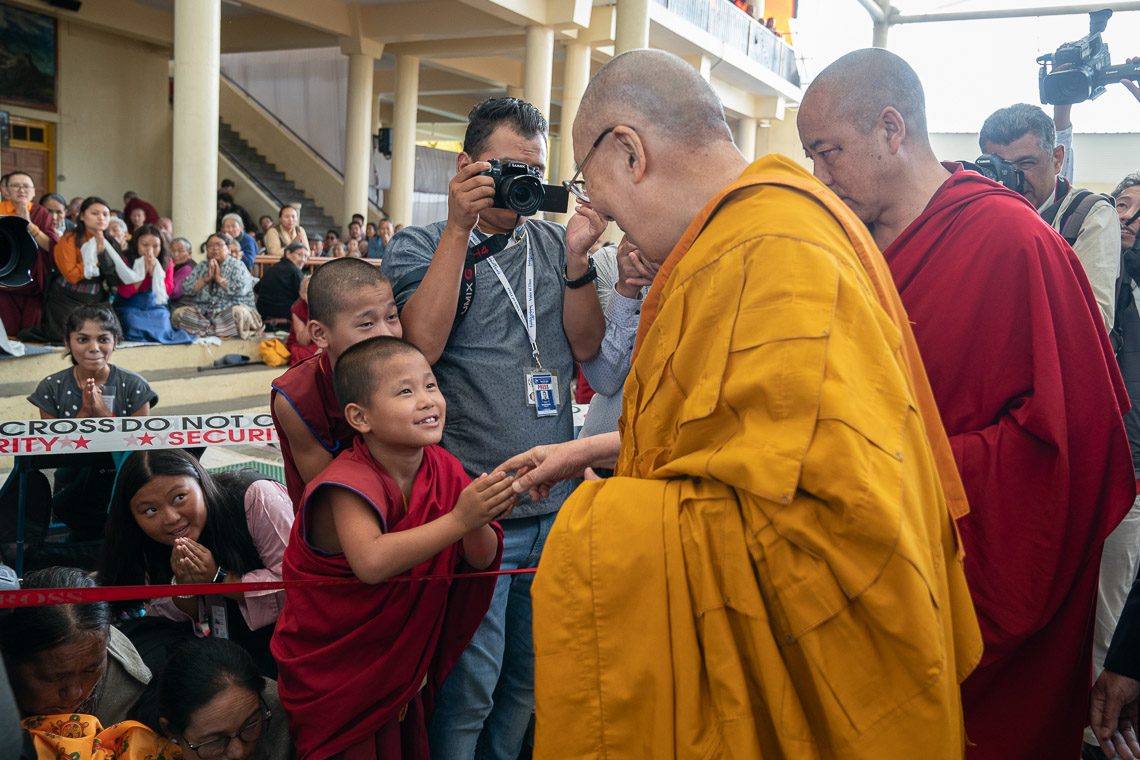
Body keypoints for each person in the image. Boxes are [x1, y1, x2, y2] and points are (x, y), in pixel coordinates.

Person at [497, 48, 982, 758]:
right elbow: (736, 453)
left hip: (821, 687)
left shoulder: (779, 249)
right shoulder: (735, 243)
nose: (609, 223)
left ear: (629, 152)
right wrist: (597, 450)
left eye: (594, 191)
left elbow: (824, 537)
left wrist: (600, 529)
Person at [796, 47, 1134, 758]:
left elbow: (1071, 447)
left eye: (828, 153)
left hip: (977, 588)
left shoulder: (1014, 243)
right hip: (853, 577)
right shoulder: (842, 249)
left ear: (892, 129)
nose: (820, 177)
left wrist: (894, 471)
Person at [382, 95, 606, 760]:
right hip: (479, 510)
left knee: (529, 684)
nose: (520, 183)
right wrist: (458, 229)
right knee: (468, 688)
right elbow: (420, 345)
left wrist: (578, 262)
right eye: (504, 167)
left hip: (556, 503)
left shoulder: (551, 241)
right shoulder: (421, 244)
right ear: (464, 166)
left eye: (532, 169)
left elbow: (586, 346)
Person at [271, 336, 507, 758]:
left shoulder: (444, 467)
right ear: (360, 417)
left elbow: (481, 558)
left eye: (431, 386)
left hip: (399, 669)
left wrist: (484, 509)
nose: (427, 401)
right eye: (405, 391)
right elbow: (371, 563)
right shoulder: (346, 482)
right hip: (340, 673)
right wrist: (460, 519)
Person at [97, 449, 293, 679]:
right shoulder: (145, 541)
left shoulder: (255, 497)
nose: (170, 518)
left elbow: (296, 587)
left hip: (288, 638)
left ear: (201, 482)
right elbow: (175, 619)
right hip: (224, 645)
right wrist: (183, 586)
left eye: (179, 497)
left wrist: (219, 579)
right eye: (150, 510)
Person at [270, 257, 403, 505]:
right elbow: (331, 499)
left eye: (392, 317)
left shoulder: (406, 372)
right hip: (338, 522)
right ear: (320, 334)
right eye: (367, 323)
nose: (387, 334)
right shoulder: (297, 397)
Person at [979, 103, 1120, 327]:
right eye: (1002, 167)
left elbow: (1095, 322)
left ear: (1057, 159)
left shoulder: (1090, 214)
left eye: (1026, 163)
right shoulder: (978, 213)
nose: (1015, 177)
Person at [28, 305, 157, 537]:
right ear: (67, 343)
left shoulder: (135, 386)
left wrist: (103, 413)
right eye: (83, 339)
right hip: (70, 482)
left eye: (103, 339)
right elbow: (54, 450)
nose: (94, 348)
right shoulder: (50, 388)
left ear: (115, 342)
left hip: (123, 481)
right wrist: (85, 414)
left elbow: (141, 447)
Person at [2, 566, 151, 725]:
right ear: (7, 659)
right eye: (54, 677)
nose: (75, 694)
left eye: (90, 670)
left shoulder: (129, 696)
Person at [153, 638, 292, 760]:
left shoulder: (284, 715)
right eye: (215, 741)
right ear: (170, 732)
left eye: (250, 725)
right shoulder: (140, 749)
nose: (238, 752)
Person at [577, 237, 657, 438]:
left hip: (670, 450)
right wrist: (627, 289)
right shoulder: (613, 260)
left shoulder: (708, 262)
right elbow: (604, 380)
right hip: (602, 449)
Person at [20, 196, 122, 344]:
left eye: (105, 214)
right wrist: (93, 258)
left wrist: (103, 256)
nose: (101, 218)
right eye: (95, 213)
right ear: (81, 216)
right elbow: (71, 275)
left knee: (112, 336)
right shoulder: (68, 239)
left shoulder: (111, 242)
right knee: (68, 336)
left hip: (96, 298)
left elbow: (114, 278)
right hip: (67, 296)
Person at [171, 232, 262, 339]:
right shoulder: (202, 266)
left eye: (219, 245)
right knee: (178, 314)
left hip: (229, 313)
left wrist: (219, 279)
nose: (214, 249)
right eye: (210, 246)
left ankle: (208, 331)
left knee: (238, 313)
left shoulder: (237, 265)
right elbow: (186, 288)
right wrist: (205, 280)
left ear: (228, 249)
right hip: (205, 315)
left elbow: (240, 290)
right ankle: (216, 330)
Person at [114, 224, 193, 344]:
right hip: (129, 305)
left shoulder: (166, 261)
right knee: (131, 323)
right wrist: (142, 274)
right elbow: (124, 292)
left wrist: (154, 275)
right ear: (136, 244)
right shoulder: (126, 259)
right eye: (145, 245)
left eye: (155, 246)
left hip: (155, 305)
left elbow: (167, 292)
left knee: (162, 324)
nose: (150, 250)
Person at [0, 171, 57, 335]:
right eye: (15, 186)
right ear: (6, 190)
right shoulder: (1, 210)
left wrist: (29, 223)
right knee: (6, 327)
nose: (21, 190)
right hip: (4, 279)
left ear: (33, 192)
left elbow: (51, 247)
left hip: (32, 279)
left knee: (31, 328)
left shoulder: (41, 213)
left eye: (26, 186)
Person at [256, 240, 307, 325]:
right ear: (287, 253)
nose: (303, 260)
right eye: (300, 255)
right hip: (283, 315)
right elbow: (305, 295)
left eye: (305, 256)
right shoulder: (295, 271)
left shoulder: (273, 268)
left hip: (263, 313)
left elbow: (256, 288)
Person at [286, 274, 319, 366]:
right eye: (309, 292)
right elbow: (303, 341)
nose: (313, 295)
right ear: (301, 294)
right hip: (305, 344)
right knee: (301, 353)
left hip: (321, 342)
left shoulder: (327, 304)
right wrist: (312, 312)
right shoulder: (297, 308)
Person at [169, 236, 196, 308]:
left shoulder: (187, 269)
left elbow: (173, 293)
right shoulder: (178, 266)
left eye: (180, 251)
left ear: (189, 253)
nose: (175, 254)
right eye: (172, 251)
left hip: (182, 307)